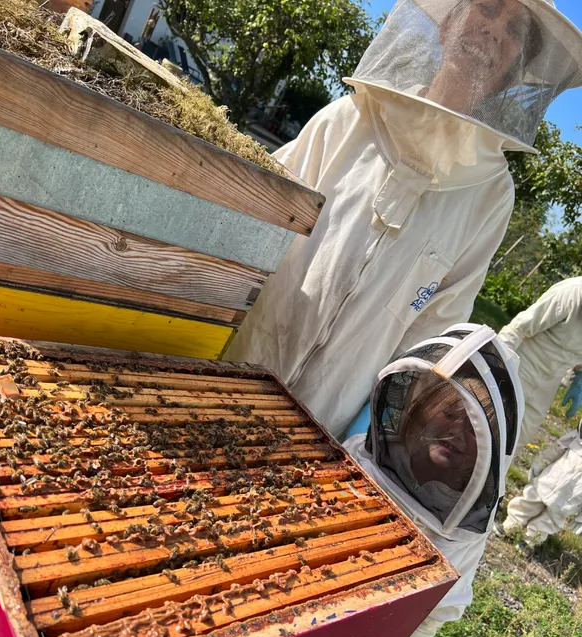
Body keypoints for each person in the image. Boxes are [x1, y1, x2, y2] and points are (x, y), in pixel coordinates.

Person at [227, 0, 582, 441]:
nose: (494, 32)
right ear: (447, 22)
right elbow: (250, 222)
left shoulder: (491, 195)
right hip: (229, 367)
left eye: (516, 33)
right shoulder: (348, 119)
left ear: (517, 66)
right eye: (487, 8)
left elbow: (433, 329)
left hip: (321, 423)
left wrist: (371, 429)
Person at [344, 323, 524, 637]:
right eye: (449, 412)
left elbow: (438, 611)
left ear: (492, 445)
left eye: (475, 425)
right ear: (422, 407)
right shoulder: (369, 456)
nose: (457, 430)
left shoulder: (464, 535)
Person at [498, 276, 582, 450]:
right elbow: (517, 330)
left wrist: (580, 377)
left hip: (550, 383)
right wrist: (494, 364)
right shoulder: (570, 293)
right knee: (487, 426)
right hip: (521, 366)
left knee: (516, 442)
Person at [499, 421, 582, 548]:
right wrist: (541, 462)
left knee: (549, 522)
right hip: (548, 480)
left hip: (568, 500)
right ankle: (510, 526)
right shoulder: (576, 440)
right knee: (528, 503)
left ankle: (529, 541)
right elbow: (558, 448)